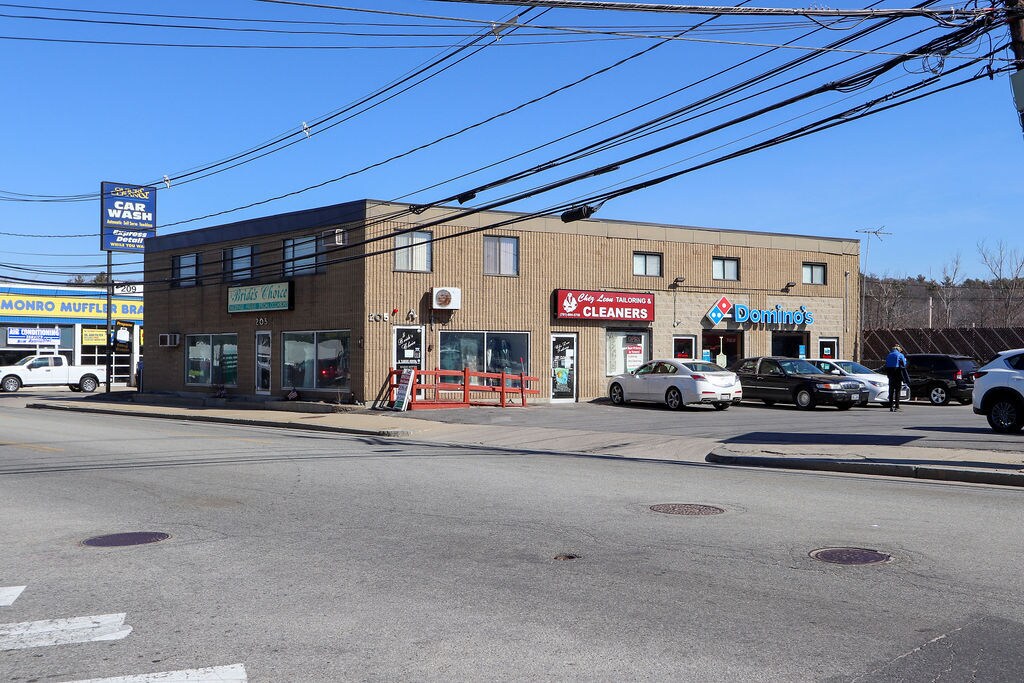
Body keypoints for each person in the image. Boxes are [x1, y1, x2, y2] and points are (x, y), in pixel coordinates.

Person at [883, 344, 907, 412]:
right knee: (897, 390)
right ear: (898, 349)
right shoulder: (900, 355)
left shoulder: (889, 355)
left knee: (891, 390)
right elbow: (904, 364)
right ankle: (897, 406)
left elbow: (886, 364)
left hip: (890, 374)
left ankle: (890, 406)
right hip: (897, 373)